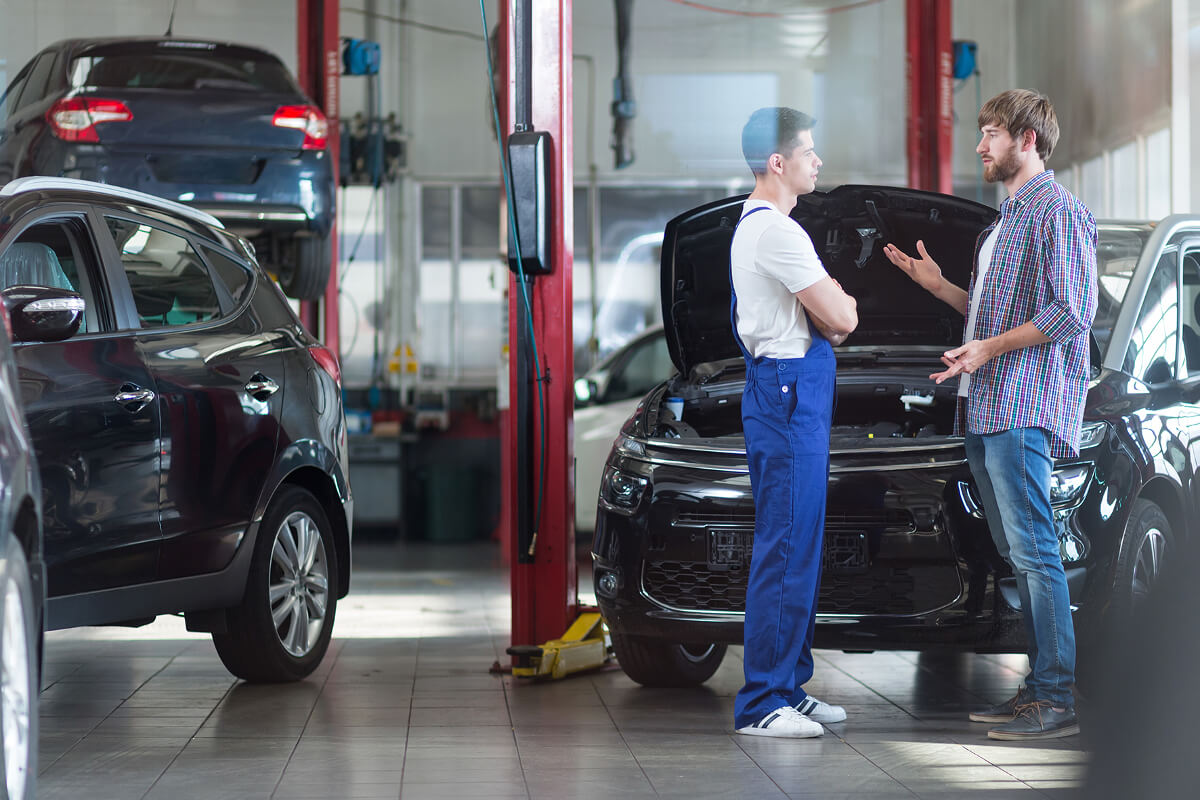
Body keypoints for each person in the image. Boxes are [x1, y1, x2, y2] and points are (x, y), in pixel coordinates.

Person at [883, 89, 1097, 741]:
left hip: (1022, 405)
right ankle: (1038, 689)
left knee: (1034, 552)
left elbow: (1071, 312)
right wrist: (940, 287)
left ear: (1027, 139)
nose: (980, 145)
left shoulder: (1058, 212)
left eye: (992, 133)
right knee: (1016, 551)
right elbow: (989, 312)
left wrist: (987, 350)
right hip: (985, 405)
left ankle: (1055, 697)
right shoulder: (1002, 223)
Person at [730, 107, 859, 738]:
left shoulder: (760, 227)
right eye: (808, 151)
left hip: (786, 391)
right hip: (787, 395)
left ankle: (787, 686)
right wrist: (838, 301)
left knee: (798, 544)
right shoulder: (777, 232)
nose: (818, 161)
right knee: (784, 547)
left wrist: (830, 309)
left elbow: (831, 320)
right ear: (776, 162)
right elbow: (844, 318)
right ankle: (761, 703)